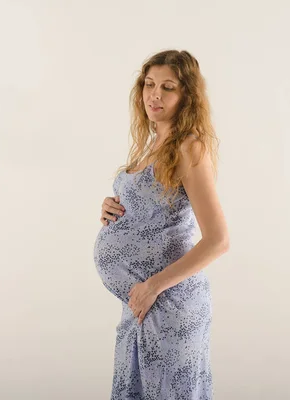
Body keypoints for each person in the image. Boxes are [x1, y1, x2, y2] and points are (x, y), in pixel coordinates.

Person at [93, 49, 229, 399]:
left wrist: (153, 286)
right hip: (139, 304)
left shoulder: (189, 147)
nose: (155, 94)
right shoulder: (152, 144)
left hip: (169, 303)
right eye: (149, 84)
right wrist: (112, 209)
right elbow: (150, 208)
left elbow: (218, 239)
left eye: (167, 87)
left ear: (186, 96)